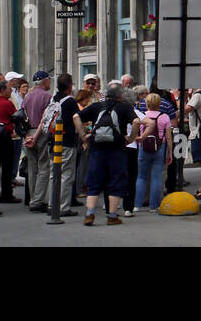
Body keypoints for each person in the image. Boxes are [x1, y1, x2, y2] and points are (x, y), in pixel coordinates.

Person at [78, 86, 135, 225]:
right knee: (116, 181)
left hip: (97, 150)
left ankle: (90, 214)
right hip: (117, 150)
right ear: (120, 96)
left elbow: (75, 117)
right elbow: (137, 121)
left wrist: (83, 136)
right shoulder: (124, 107)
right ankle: (112, 216)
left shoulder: (97, 106)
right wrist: (131, 138)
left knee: (94, 182)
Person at [133, 91, 171, 213]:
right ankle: (154, 206)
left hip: (143, 146)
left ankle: (137, 205)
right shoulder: (164, 117)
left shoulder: (142, 115)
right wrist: (170, 153)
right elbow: (169, 137)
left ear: (147, 103)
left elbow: (137, 131)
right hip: (160, 146)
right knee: (156, 177)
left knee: (141, 176)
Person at [22, 70, 54, 212]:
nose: (50, 82)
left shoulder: (27, 97)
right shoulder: (47, 97)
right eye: (49, 80)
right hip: (40, 133)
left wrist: (26, 136)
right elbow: (45, 119)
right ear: (45, 81)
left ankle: (33, 198)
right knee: (44, 167)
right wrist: (36, 136)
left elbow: (21, 117)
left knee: (32, 167)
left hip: (28, 132)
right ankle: (38, 200)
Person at [52, 73, 81, 217]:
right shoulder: (70, 101)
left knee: (55, 173)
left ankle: (52, 203)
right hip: (68, 140)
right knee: (67, 174)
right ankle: (63, 206)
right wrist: (83, 135)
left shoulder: (54, 98)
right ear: (70, 86)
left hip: (55, 140)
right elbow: (76, 118)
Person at [120, 86, 141, 217]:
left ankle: (110, 204)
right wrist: (136, 137)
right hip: (131, 146)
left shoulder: (115, 110)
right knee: (131, 178)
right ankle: (128, 207)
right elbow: (149, 123)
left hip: (117, 147)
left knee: (115, 175)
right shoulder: (135, 112)